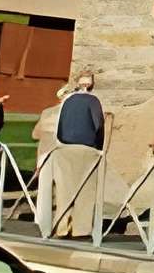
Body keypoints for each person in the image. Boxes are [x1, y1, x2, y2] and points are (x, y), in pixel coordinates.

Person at [36, 74, 106, 238]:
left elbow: (60, 126)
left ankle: (61, 226)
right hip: (86, 149)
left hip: (64, 147)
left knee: (64, 190)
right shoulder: (93, 101)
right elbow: (98, 124)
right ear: (92, 85)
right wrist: (99, 147)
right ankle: (81, 229)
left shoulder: (67, 101)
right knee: (85, 190)